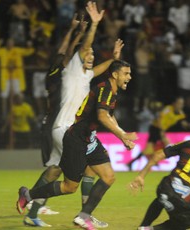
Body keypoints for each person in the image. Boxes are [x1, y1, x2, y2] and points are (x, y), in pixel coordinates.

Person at [21, 2, 124, 228]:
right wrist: (93, 25)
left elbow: (103, 68)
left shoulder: (85, 76)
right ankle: (79, 214)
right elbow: (85, 45)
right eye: (87, 53)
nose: (90, 55)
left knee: (60, 170)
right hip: (69, 130)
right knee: (74, 181)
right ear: (79, 56)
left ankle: (36, 209)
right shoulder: (73, 71)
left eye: (93, 55)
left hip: (69, 130)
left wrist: (115, 59)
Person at [16, 60, 137, 230]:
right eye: (126, 73)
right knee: (69, 187)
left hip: (90, 138)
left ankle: (83, 217)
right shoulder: (105, 89)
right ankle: (28, 194)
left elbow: (109, 115)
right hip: (76, 139)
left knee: (108, 177)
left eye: (130, 73)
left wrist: (122, 137)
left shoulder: (112, 91)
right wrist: (122, 134)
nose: (129, 77)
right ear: (115, 74)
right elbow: (102, 117)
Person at [129, 124, 190, 230]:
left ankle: (143, 225)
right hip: (183, 202)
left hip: (164, 187)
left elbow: (158, 154)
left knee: (163, 197)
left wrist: (141, 176)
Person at [127, 97, 190, 171]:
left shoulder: (181, 114)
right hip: (155, 128)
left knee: (148, 149)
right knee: (167, 143)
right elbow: (160, 118)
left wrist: (189, 125)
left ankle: (132, 163)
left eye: (182, 104)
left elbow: (183, 123)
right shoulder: (168, 109)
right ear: (174, 104)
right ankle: (179, 164)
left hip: (161, 130)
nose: (180, 105)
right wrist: (161, 131)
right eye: (179, 103)